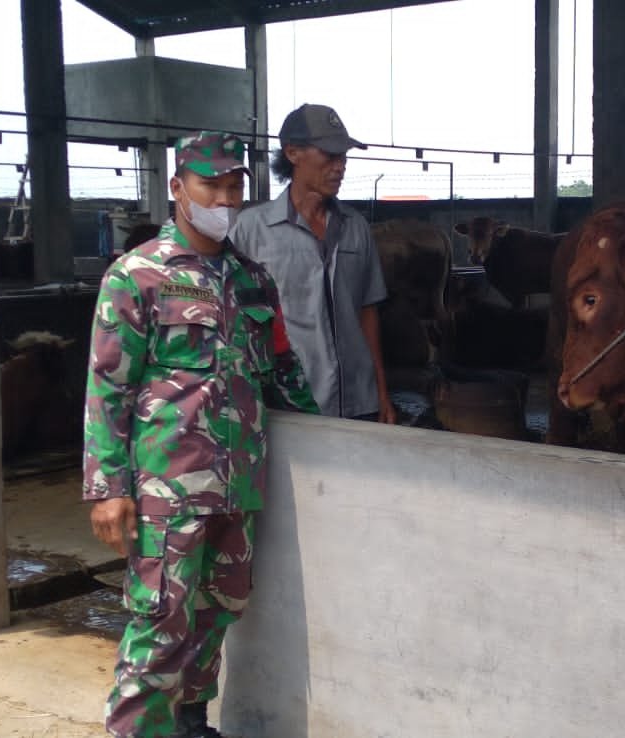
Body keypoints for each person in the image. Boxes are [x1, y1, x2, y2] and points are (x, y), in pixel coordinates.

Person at [82, 131, 319, 738]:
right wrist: (107, 487)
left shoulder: (251, 280)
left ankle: (189, 722)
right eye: (210, 184)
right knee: (161, 618)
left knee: (219, 610)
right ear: (177, 188)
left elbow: (281, 369)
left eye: (234, 185)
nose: (223, 196)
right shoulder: (137, 276)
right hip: (169, 488)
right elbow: (108, 390)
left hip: (238, 486)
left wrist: (333, 441)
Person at [229, 103, 396, 422]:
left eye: (343, 157)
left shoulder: (356, 228)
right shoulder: (251, 231)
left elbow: (367, 311)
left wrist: (382, 393)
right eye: (330, 155)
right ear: (293, 153)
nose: (340, 167)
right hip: (293, 403)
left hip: (360, 402)